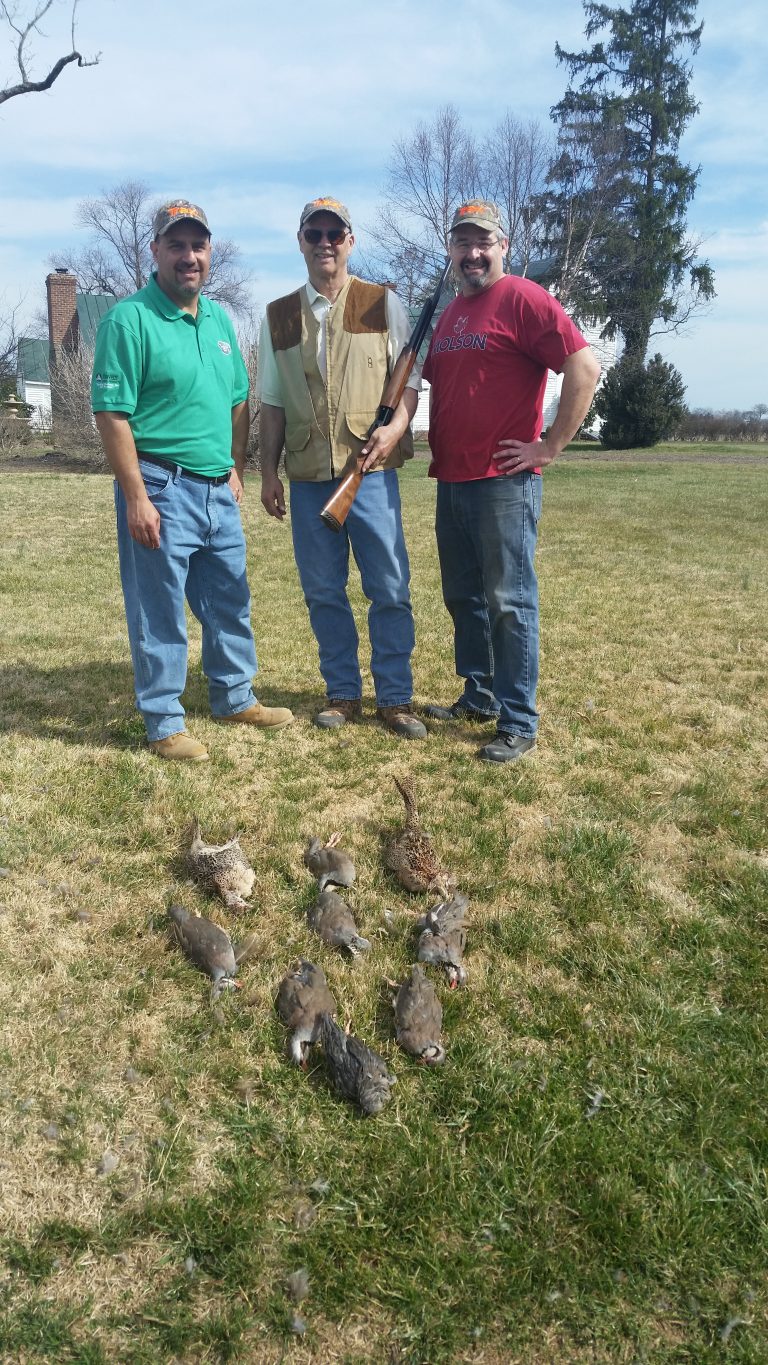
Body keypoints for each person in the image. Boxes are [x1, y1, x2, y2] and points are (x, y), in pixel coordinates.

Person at [91, 198, 293, 761]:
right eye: (176, 245)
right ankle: (163, 722)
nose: (189, 256)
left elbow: (237, 396)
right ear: (154, 251)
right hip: (160, 483)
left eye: (197, 246)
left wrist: (234, 463)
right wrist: (136, 496)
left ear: (210, 254)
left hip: (214, 489)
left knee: (229, 599)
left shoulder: (221, 319)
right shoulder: (128, 320)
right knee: (159, 609)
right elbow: (111, 414)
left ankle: (234, 697)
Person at [422, 200, 601, 763]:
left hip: (503, 483)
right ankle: (479, 695)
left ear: (503, 246)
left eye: (484, 242)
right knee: (464, 598)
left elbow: (584, 365)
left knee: (509, 601)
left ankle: (518, 718)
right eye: (462, 243)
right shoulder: (451, 314)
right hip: (452, 479)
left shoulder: (523, 299)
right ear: (451, 249)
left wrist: (550, 444)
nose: (472, 253)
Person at [257, 196, 426, 740]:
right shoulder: (278, 314)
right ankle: (343, 693)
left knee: (389, 587)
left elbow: (409, 383)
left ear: (350, 241)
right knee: (324, 591)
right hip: (307, 477)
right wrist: (267, 474)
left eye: (335, 233)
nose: (325, 242)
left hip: (370, 472)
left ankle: (395, 698)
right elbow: (273, 401)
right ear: (301, 242)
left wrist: (396, 430)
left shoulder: (382, 303)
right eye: (314, 234)